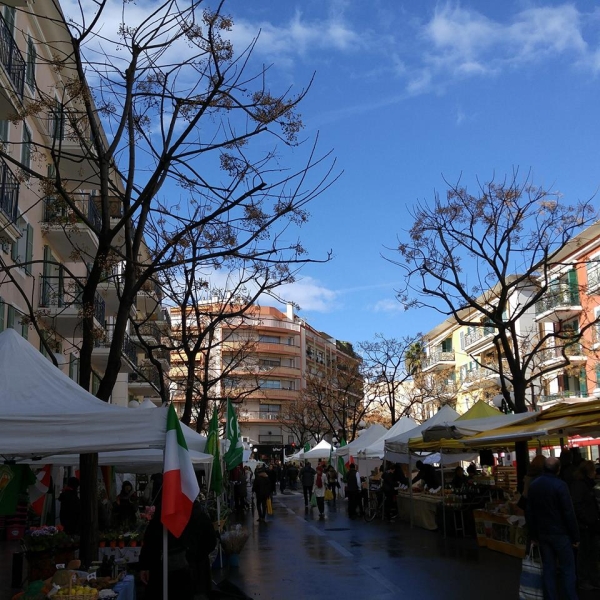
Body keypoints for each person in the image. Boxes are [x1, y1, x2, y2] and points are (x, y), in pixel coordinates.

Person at [140, 494, 217, 600]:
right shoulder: (197, 512)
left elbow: (150, 539)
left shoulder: (164, 511)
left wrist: (145, 565)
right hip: (191, 573)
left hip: (167, 573)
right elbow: (210, 541)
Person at [526, 456, 579, 600]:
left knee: (549, 568)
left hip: (543, 533)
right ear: (558, 470)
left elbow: (529, 512)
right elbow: (568, 512)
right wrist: (575, 536)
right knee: (567, 569)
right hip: (561, 533)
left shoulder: (534, 485)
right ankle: (570, 597)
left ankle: (550, 597)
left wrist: (533, 535)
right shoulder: (561, 485)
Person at [569, 460, 600, 590]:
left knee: (590, 552)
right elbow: (578, 506)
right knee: (586, 553)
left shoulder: (582, 484)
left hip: (588, 524)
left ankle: (590, 579)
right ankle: (585, 580)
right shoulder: (582, 486)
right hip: (586, 525)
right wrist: (588, 520)